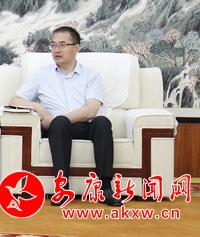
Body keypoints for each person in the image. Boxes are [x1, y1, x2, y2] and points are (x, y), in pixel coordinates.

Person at [9, 26, 122, 207]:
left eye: (62, 45)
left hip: (82, 125)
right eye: (53, 45)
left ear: (76, 48)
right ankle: (62, 189)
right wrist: (38, 107)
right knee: (61, 123)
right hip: (57, 130)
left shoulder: (91, 75)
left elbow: (91, 110)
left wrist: (58, 118)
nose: (56, 50)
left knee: (102, 122)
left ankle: (106, 188)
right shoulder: (41, 74)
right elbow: (15, 100)